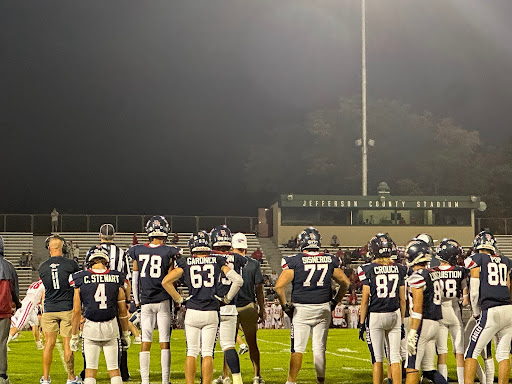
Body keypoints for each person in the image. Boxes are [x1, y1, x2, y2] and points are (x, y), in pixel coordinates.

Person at [161, 231, 243, 384]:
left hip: (192, 310)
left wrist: (180, 299)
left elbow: (165, 282)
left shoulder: (185, 262)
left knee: (191, 352)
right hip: (211, 311)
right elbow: (238, 280)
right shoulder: (217, 260)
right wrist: (227, 299)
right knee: (207, 353)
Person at [275, 227, 350, 384]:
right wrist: (336, 301)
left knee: (298, 348)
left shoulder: (295, 260)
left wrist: (285, 306)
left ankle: (291, 381)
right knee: (319, 348)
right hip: (323, 307)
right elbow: (345, 282)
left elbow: (279, 286)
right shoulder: (329, 259)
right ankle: (320, 381)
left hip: (302, 308)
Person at [128, 215, 180, 384]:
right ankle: (165, 381)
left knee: (146, 340)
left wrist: (137, 300)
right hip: (163, 301)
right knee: (165, 341)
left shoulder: (137, 250)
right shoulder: (169, 251)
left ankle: (145, 381)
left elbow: (135, 279)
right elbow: (173, 277)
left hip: (145, 302)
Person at [79, 224, 133, 381]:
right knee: (120, 337)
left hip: (93, 299)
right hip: (115, 295)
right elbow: (126, 279)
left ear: (99, 236)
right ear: (114, 236)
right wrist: (127, 300)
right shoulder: (121, 253)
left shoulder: (91, 251)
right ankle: (123, 372)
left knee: (89, 342)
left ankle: (86, 372)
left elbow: (86, 277)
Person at [357, 233, 406, 384]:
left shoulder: (368, 268)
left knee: (377, 359)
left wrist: (361, 322)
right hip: (394, 314)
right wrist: (402, 322)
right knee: (395, 358)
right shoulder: (400, 268)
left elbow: (365, 300)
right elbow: (402, 299)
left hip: (376, 315)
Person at [464, 231, 512, 384]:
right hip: (508, 309)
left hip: (491, 310)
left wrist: (477, 312)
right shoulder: (505, 260)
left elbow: (474, 291)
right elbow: (508, 285)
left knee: (470, 353)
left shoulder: (477, 259)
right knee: (503, 354)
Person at [38, 234, 81, 384]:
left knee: (49, 343)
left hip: (49, 308)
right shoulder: (71, 265)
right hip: (67, 307)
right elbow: (77, 287)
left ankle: (45, 378)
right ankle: (71, 378)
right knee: (67, 343)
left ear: (49, 248)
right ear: (62, 247)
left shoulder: (42, 267)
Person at [404, 240, 447, 384]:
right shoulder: (433, 273)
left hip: (422, 325)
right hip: (435, 324)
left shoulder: (417, 276)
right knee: (429, 370)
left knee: (412, 368)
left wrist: (412, 332)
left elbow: (417, 308)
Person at [210, 226, 246, 384]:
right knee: (229, 345)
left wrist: (223, 298)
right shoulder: (237, 258)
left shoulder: (210, 257)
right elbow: (239, 280)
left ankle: (206, 379)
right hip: (230, 307)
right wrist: (229, 298)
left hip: (211, 305)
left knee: (207, 348)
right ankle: (237, 380)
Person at [433, 239, 468, 384]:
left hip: (439, 311)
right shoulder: (460, 271)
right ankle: (462, 381)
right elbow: (465, 297)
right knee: (459, 351)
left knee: (442, 352)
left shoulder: (433, 272)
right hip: (454, 311)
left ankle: (443, 381)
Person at [232, 233, 266, 384]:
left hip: (231, 308)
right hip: (249, 306)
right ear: (246, 247)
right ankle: (257, 376)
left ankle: (227, 377)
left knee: (228, 344)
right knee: (253, 343)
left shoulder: (226, 262)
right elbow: (258, 288)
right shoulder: (253, 264)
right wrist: (262, 308)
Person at [0, 235, 21, 384]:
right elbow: (15, 292)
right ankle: (1, 375)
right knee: (1, 343)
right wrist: (17, 304)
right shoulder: (9, 266)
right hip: (3, 310)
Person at [8, 278, 44, 350]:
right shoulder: (44, 285)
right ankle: (4, 344)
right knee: (18, 326)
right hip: (28, 306)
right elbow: (43, 299)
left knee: (35, 323)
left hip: (25, 304)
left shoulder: (33, 284)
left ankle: (39, 344)